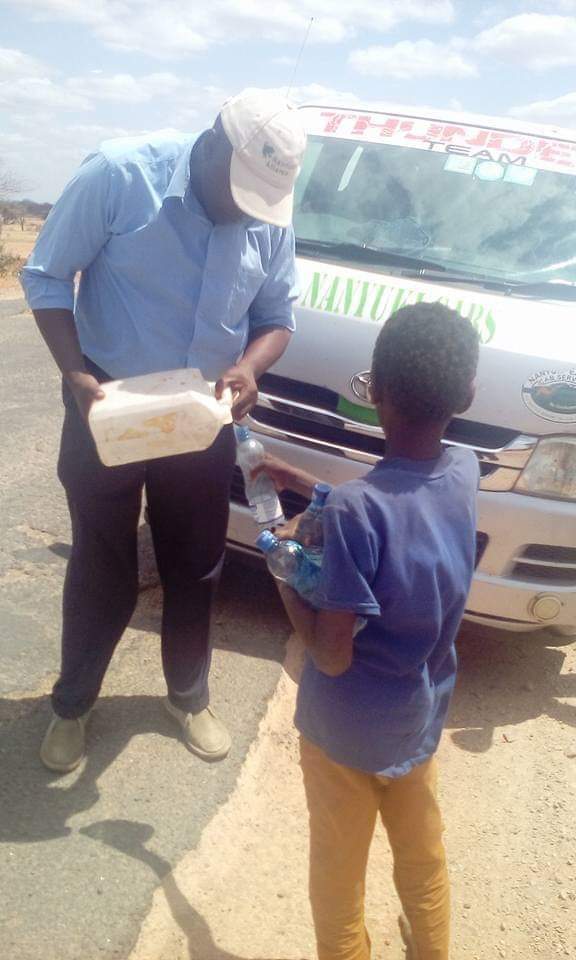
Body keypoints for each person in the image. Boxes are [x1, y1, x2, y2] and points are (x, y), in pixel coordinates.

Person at [20, 89, 307, 773]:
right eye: (239, 190)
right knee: (102, 560)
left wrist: (248, 367)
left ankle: (188, 695)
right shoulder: (120, 174)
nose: (246, 209)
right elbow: (47, 277)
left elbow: (277, 316)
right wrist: (73, 374)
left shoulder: (268, 215)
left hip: (201, 415)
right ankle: (73, 703)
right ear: (210, 145)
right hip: (106, 404)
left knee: (196, 563)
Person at [257, 302, 480, 960]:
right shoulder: (464, 469)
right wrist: (316, 490)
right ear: (465, 396)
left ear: (371, 390)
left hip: (343, 736)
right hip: (418, 723)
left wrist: (284, 568)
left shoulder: (359, 510)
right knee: (421, 862)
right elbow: (401, 507)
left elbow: (329, 656)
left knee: (337, 878)